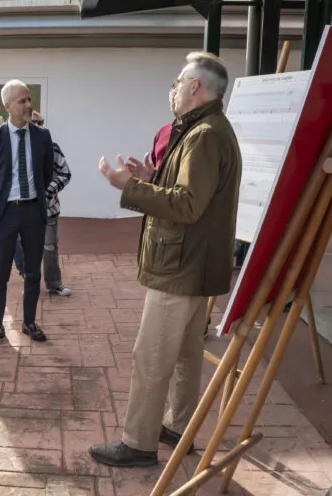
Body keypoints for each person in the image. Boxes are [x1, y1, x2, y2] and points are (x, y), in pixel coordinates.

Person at [89, 52, 242, 467]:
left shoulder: (204, 134)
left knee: (152, 356)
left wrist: (128, 186)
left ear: (195, 87)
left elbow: (189, 204)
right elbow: (194, 193)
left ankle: (138, 443)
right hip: (194, 264)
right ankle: (178, 428)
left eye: (178, 82)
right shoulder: (204, 129)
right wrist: (150, 178)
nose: (172, 90)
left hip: (179, 266)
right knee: (187, 354)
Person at [0, 80, 54, 346]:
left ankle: (29, 322)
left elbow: (46, 173)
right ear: (7, 106)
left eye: (29, 99)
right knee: (0, 275)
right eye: (22, 101)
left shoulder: (42, 136)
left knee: (33, 272)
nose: (29, 105)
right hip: (5, 214)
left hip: (33, 210)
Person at [12, 111, 73, 297]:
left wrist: (50, 189)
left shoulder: (51, 146)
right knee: (24, 246)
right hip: (23, 208)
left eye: (38, 122)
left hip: (48, 209)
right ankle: (29, 282)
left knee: (50, 247)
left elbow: (65, 172)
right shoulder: (16, 146)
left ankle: (54, 284)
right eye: (31, 122)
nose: (35, 125)